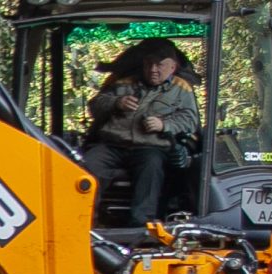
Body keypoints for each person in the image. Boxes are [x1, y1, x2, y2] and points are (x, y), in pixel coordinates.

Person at [82, 38, 201, 227]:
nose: (153, 69)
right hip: (113, 145)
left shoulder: (182, 89)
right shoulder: (123, 83)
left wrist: (164, 124)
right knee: (86, 166)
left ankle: (141, 225)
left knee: (152, 168)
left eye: (160, 65)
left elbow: (190, 119)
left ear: (172, 66)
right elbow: (95, 105)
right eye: (149, 64)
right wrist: (116, 102)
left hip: (150, 147)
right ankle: (84, 221)